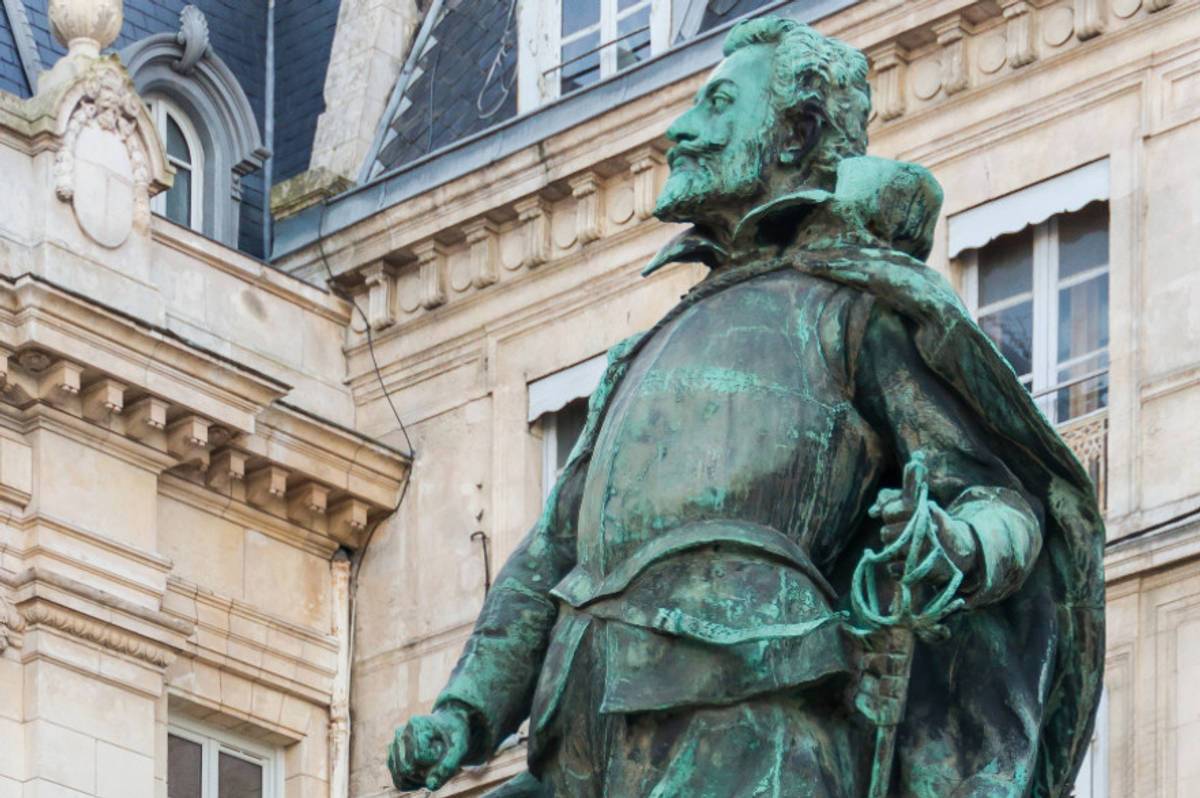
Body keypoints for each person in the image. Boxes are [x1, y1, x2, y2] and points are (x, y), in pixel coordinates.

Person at [387, 16, 1105, 798]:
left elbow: (1000, 498)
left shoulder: (855, 309)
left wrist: (955, 544)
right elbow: (552, 553)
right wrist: (465, 714)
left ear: (794, 132)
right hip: (584, 724)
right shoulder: (646, 347)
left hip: (749, 708)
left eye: (720, 104)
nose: (681, 128)